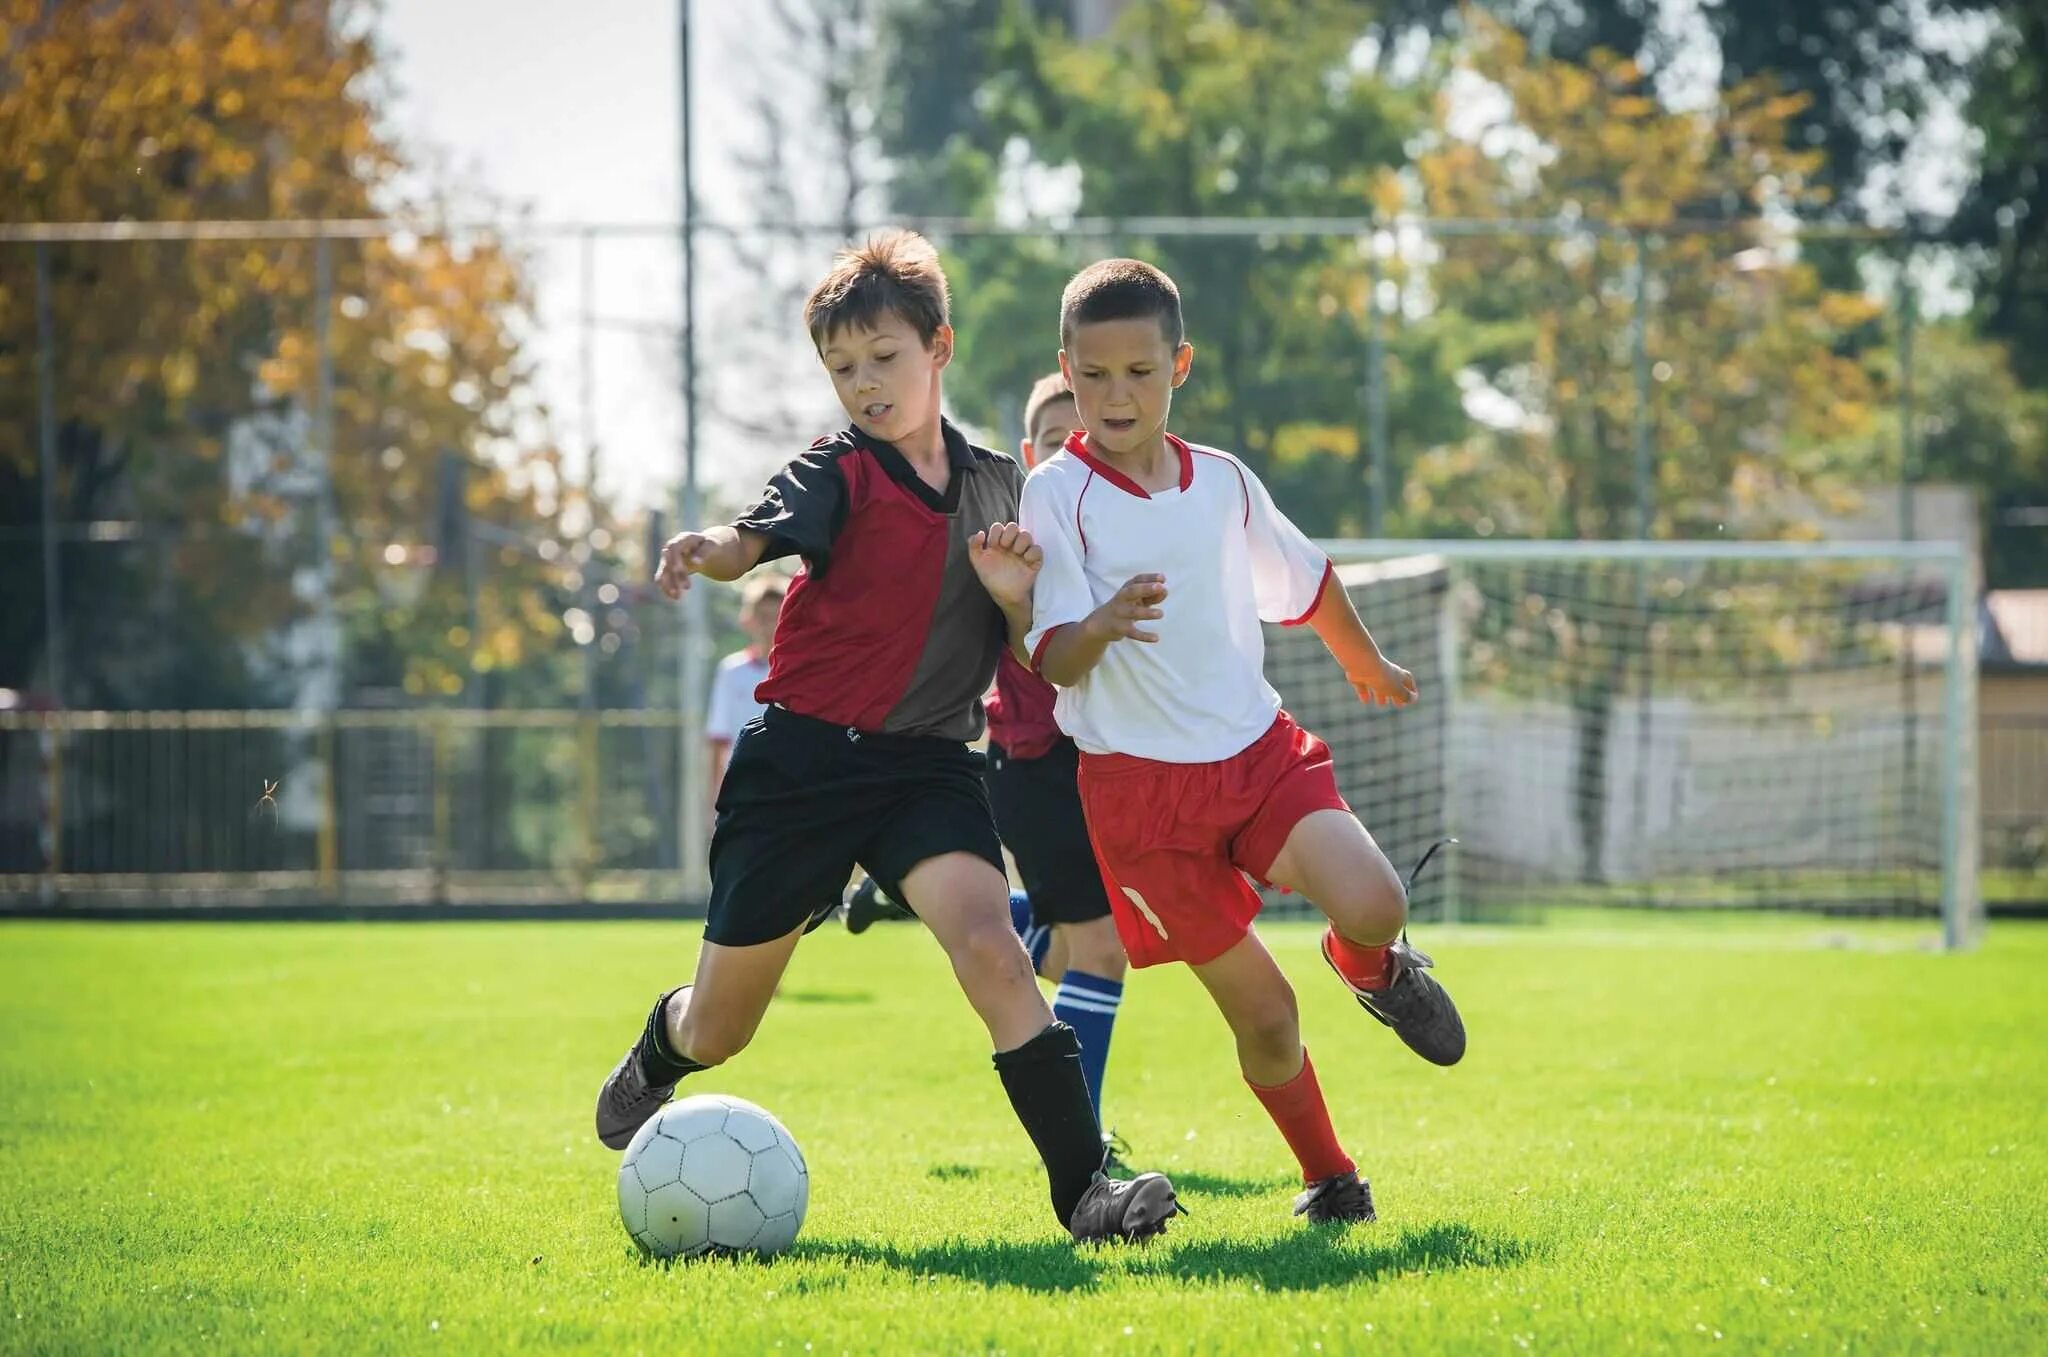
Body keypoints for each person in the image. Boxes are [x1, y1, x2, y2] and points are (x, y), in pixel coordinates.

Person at [592, 231, 1180, 1245]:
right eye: (841, 367)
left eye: (883, 359)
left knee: (993, 947)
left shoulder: (1001, 486)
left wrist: (1010, 599)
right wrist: (711, 549)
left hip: (927, 768)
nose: (863, 384)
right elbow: (756, 535)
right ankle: (664, 1041)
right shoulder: (837, 471)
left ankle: (1085, 1192)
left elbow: (1031, 648)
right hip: (800, 766)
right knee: (722, 1028)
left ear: (938, 346)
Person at [1018, 257, 1467, 1226]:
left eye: (1138, 371)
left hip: (1258, 756)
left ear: (1178, 366)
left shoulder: (1220, 480)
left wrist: (1367, 661)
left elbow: (1305, 580)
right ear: (1066, 369)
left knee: (1376, 900)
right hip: (1143, 804)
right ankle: (1331, 1177)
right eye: (1092, 376)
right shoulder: (1055, 494)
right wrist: (1102, 620)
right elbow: (1050, 656)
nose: (1115, 394)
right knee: (1266, 1016)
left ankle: (1369, 967)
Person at [848, 373, 1134, 1163]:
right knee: (1102, 946)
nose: (1072, 451)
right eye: (1052, 439)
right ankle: (1088, 1142)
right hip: (1036, 762)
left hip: (1112, 759)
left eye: (1086, 436)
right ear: (1028, 455)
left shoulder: (1130, 525)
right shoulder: (1007, 535)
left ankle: (921, 895)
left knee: (1099, 941)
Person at [705, 574, 787, 804]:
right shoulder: (731, 671)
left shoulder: (800, 673)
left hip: (788, 791)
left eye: (776, 617)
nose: (770, 625)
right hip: (744, 793)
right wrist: (713, 805)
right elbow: (718, 740)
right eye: (762, 617)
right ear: (748, 620)